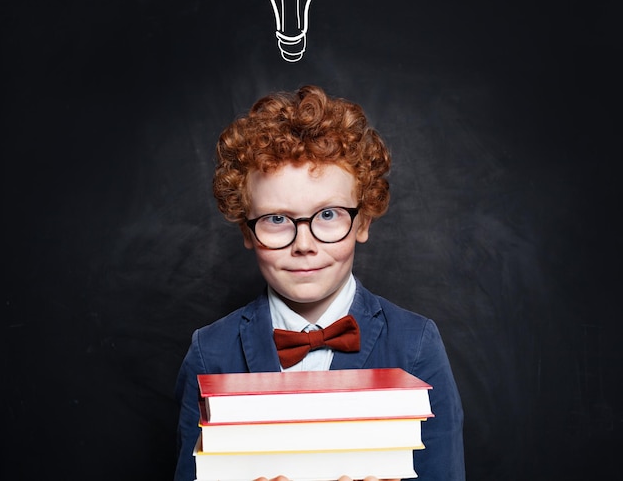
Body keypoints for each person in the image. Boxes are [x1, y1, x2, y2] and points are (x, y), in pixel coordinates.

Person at [174, 84, 465, 481]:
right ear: (247, 230)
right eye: (277, 219)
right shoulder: (209, 353)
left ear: (361, 221)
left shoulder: (416, 346)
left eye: (328, 215)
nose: (304, 245)